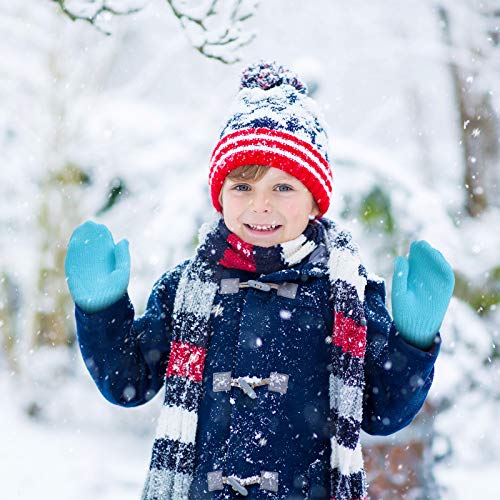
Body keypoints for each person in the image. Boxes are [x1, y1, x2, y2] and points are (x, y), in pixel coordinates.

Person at [65, 61, 455, 500]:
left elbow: (383, 411)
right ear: (221, 195)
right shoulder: (186, 289)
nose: (260, 206)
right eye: (243, 188)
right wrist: (101, 310)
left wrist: (413, 340)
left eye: (283, 188)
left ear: (315, 201)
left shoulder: (345, 296)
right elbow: (126, 382)